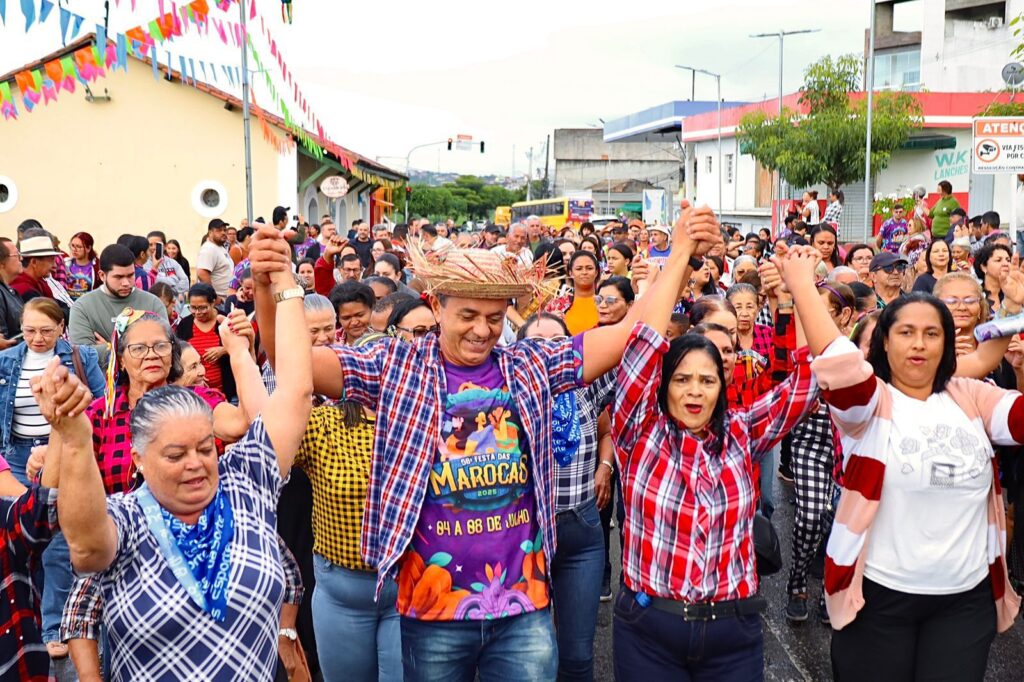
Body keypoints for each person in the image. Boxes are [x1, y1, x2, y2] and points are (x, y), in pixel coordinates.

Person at [249, 201, 722, 681]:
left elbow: (631, 333)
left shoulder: (530, 364)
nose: (482, 330)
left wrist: (680, 252)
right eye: (469, 314)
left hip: (524, 610)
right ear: (437, 306)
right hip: (430, 610)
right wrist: (271, 288)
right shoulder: (397, 365)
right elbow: (293, 364)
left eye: (495, 317)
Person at [47, 250, 313, 680]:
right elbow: (84, 544)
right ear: (139, 459)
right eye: (175, 455)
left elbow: (294, 394)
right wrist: (71, 437)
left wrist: (285, 284)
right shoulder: (125, 516)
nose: (196, 465)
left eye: (206, 448)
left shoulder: (245, 483)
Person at [610, 244, 828, 680]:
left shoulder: (743, 431)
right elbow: (640, 350)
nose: (695, 391)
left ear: (722, 385)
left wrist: (800, 291)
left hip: (732, 631)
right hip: (649, 629)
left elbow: (809, 380)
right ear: (663, 386)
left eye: (707, 380)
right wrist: (678, 257)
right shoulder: (639, 433)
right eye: (682, 379)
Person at [812, 288, 1024, 680]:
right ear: (885, 342)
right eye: (906, 332)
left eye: (932, 333)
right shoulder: (871, 404)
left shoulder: (970, 395)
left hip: (965, 600)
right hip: (878, 597)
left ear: (947, 343)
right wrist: (801, 282)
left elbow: (1019, 421)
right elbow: (839, 364)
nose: (919, 344)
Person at [0, 298, 105, 660]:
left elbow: (99, 403)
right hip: (16, 455)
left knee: (58, 539)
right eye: (29, 330)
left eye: (46, 330)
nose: (38, 338)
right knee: (20, 540)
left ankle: (53, 625)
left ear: (62, 328)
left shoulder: (80, 357)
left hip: (61, 450)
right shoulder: (6, 360)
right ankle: (28, 620)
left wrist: (72, 420)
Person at [295, 333, 400, 682]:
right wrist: (245, 354)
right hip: (342, 590)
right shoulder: (323, 425)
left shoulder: (422, 425)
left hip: (408, 585)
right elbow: (269, 431)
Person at [518, 312, 615, 681]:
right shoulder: (505, 396)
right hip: (524, 537)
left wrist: (605, 466)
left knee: (576, 657)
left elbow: (636, 345)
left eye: (557, 343)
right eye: (536, 344)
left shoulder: (586, 386)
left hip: (580, 535)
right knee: (531, 657)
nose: (547, 352)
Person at [783, 281, 855, 625]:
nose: (813, 317)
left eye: (822, 311)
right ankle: (797, 583)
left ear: (844, 314)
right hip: (810, 442)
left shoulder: (857, 345)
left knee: (841, 522)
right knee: (811, 516)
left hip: (850, 446)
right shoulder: (804, 344)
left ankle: (832, 588)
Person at [69, 245, 169, 371]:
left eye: (131, 275)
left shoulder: (153, 303)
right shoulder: (82, 307)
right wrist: (138, 348)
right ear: (102, 275)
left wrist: (111, 348)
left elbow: (165, 346)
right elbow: (82, 355)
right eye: (119, 277)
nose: (126, 283)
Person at [176, 283, 237, 400]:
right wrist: (196, 374)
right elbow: (178, 356)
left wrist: (224, 350)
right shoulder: (184, 325)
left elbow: (244, 347)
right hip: (195, 395)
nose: (197, 312)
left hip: (228, 392)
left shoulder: (225, 321)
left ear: (213, 303)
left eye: (202, 307)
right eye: (193, 308)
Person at [548, 251, 601, 335]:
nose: (584, 272)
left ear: (596, 272)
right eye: (579, 269)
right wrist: (550, 321)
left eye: (589, 268)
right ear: (571, 273)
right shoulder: (557, 305)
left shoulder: (606, 303)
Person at [10, 233, 63, 304]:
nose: (55, 265)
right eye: (51, 260)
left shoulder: (40, 283)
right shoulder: (25, 291)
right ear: (34, 262)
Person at [196, 218, 234, 299]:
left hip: (226, 297)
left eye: (225, 230)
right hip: (218, 299)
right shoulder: (209, 249)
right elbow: (202, 273)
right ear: (210, 233)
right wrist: (214, 296)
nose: (223, 233)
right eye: (219, 230)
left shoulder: (219, 247)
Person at [329, 280, 375, 345]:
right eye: (346, 318)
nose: (354, 322)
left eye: (360, 315)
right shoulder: (330, 341)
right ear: (338, 318)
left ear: (371, 310)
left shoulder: (384, 341)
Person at [147, 231, 190, 298]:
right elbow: (150, 283)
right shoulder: (145, 264)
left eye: (157, 244)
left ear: (165, 246)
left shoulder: (173, 262)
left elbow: (185, 283)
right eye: (150, 245)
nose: (153, 247)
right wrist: (173, 279)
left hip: (174, 303)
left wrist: (167, 291)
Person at [0, 238, 26, 349]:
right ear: (1, 263)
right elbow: (4, 341)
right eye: (16, 255)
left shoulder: (10, 291)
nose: (21, 258)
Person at [974, 243, 1012, 315]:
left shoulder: (1015, 293)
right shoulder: (975, 296)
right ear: (983, 267)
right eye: (998, 260)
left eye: (1008, 260)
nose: (1006, 264)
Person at [65, 232, 101, 301]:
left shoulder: (98, 266)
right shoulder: (65, 264)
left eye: (78, 246)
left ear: (88, 248)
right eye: (72, 245)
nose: (74, 249)